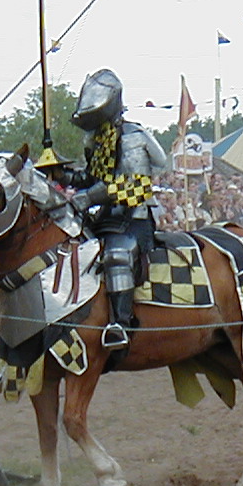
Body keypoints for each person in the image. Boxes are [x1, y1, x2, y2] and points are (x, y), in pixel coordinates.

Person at [60, 68, 168, 349]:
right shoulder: (98, 140)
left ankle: (121, 323)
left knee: (117, 253)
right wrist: (61, 174)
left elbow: (137, 185)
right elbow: (92, 177)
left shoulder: (131, 136)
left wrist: (89, 197)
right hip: (106, 216)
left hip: (134, 217)